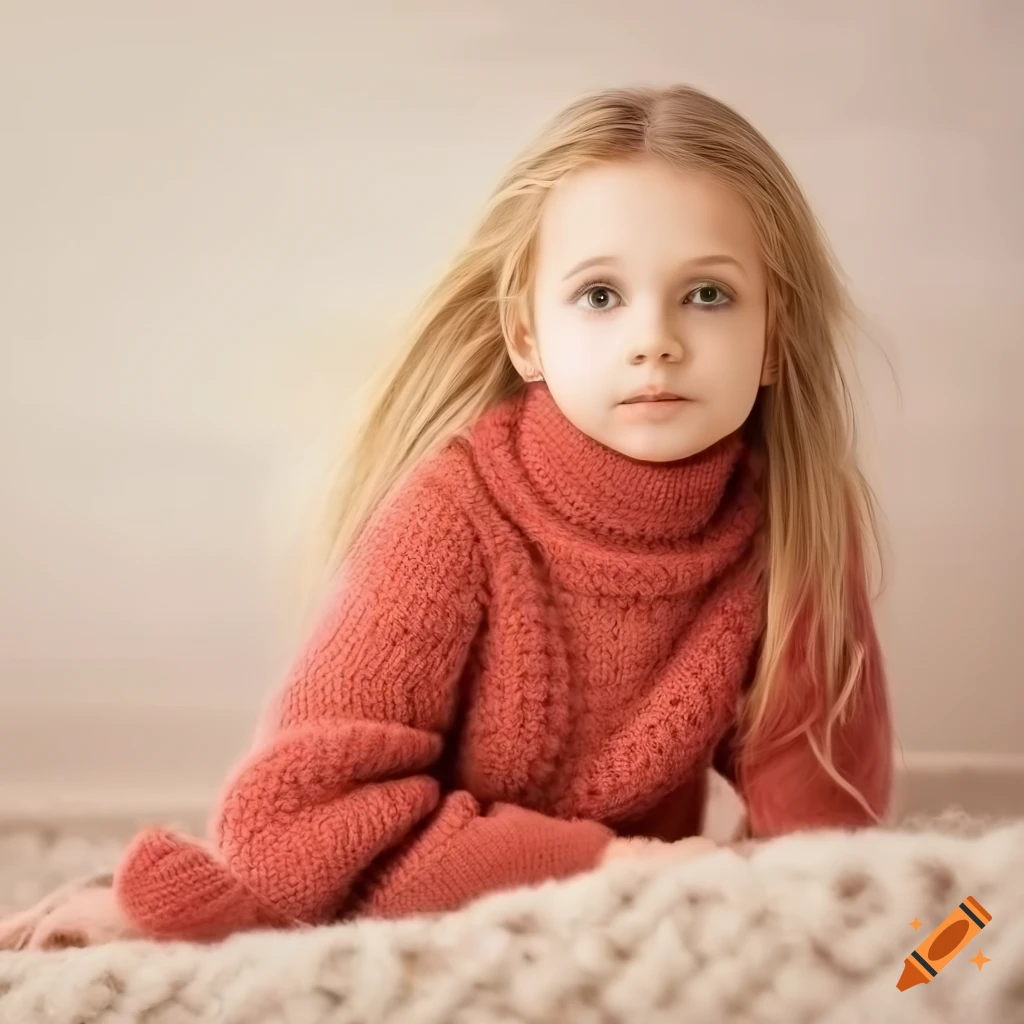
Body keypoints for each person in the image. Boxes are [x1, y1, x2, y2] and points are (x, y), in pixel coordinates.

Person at [8, 84, 894, 947]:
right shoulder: (454, 511)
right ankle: (179, 913)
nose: (654, 337)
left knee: (961, 938)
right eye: (599, 295)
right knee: (273, 885)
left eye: (708, 294)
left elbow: (826, 847)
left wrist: (916, 962)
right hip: (418, 874)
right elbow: (292, 822)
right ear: (526, 337)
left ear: (774, 336)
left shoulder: (800, 527)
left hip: (608, 909)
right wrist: (610, 867)